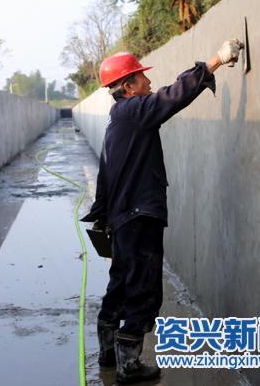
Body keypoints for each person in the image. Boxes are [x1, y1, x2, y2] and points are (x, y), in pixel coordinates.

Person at [80, 40, 244, 384]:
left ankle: (108, 352)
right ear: (128, 87)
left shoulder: (119, 121)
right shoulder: (133, 112)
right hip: (139, 218)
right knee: (143, 289)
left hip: (124, 218)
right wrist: (215, 61)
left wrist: (105, 215)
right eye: (142, 77)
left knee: (121, 283)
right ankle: (128, 366)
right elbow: (172, 96)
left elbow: (106, 173)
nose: (149, 82)